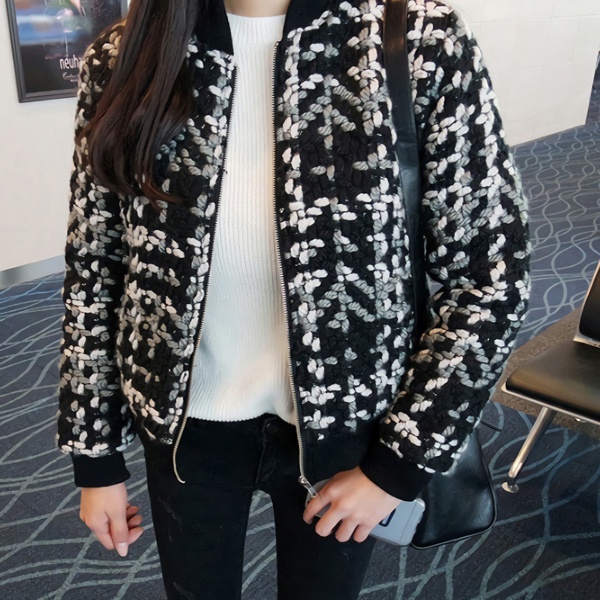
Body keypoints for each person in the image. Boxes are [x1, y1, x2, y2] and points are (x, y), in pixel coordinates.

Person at [56, 0, 531, 598]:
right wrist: (95, 456)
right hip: (184, 425)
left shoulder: (417, 40)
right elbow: (97, 268)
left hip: (352, 432)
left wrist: (397, 466)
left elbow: (490, 276)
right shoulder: (125, 55)